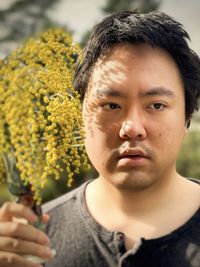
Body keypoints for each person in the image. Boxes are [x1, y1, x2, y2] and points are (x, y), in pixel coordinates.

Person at [0, 10, 200, 267]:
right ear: (80, 114)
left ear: (186, 118)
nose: (132, 128)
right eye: (112, 105)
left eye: (157, 105)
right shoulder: (31, 241)